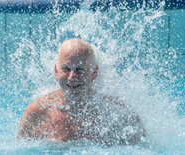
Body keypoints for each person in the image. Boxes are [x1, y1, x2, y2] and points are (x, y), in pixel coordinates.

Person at [17, 38, 145, 145]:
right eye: (66, 69)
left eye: (80, 70)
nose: (72, 77)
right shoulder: (38, 112)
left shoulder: (116, 112)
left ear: (94, 73)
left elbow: (142, 148)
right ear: (56, 72)